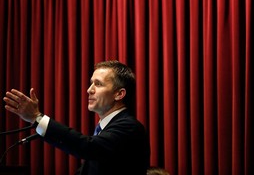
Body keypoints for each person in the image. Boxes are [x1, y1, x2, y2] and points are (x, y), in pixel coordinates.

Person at [3, 60, 150, 175]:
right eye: (91, 83)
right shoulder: (103, 129)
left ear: (119, 94)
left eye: (98, 84)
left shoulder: (129, 127)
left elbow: (88, 147)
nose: (89, 90)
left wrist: (37, 117)